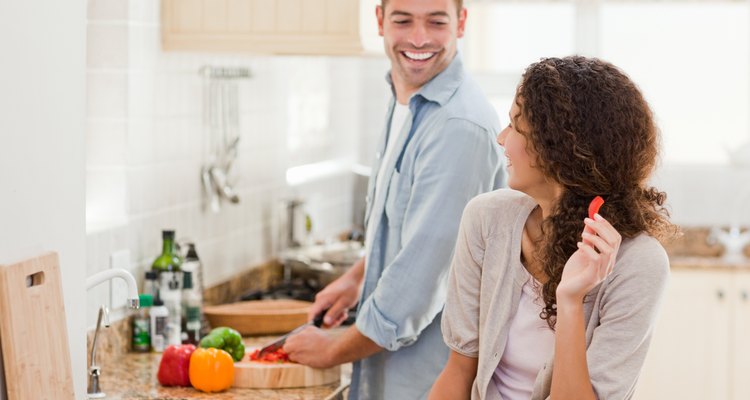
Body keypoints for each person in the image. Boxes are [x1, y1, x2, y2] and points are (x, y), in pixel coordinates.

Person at [283, 0, 504, 398]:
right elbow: (405, 226)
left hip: (427, 382)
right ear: (381, 21)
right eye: (403, 20)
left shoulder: (457, 126)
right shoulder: (408, 99)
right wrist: (356, 280)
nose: (418, 39)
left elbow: (418, 284)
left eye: (436, 22)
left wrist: (333, 347)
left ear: (461, 23)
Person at [429, 56, 679, 400]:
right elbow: (459, 370)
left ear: (558, 150)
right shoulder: (486, 219)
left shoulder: (637, 263)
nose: (502, 139)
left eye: (516, 126)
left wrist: (571, 300)